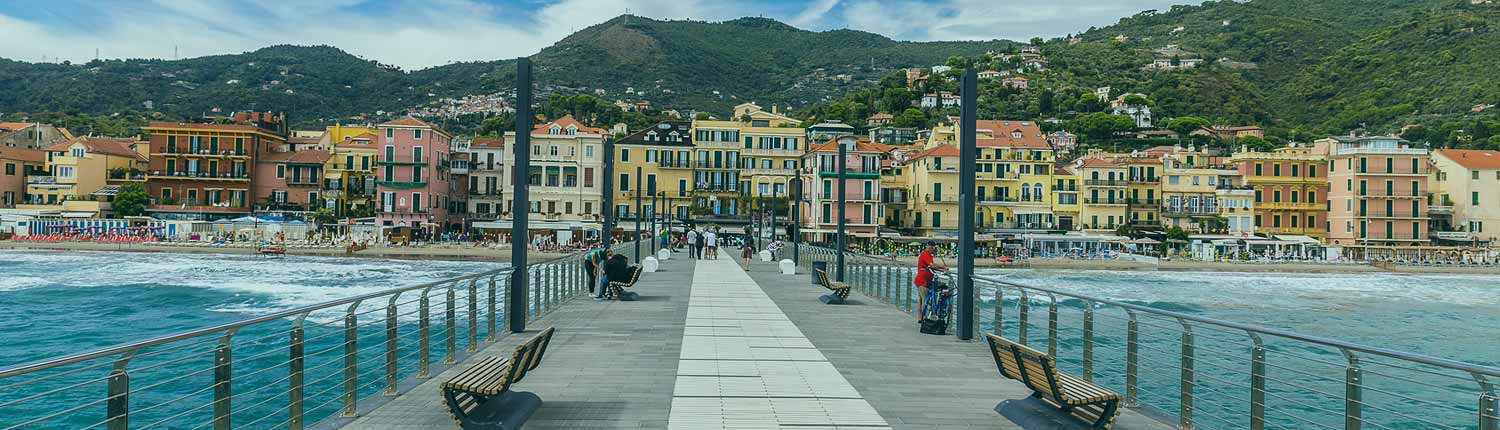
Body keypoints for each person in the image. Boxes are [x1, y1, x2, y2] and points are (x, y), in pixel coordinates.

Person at [914, 240, 948, 322]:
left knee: (921, 300)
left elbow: (930, 267)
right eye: (933, 248)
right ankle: (925, 318)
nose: (933, 250)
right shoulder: (926, 254)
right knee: (924, 300)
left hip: (921, 280)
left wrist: (941, 270)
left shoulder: (926, 254)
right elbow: (932, 265)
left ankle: (920, 318)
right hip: (923, 281)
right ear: (930, 247)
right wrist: (943, 268)